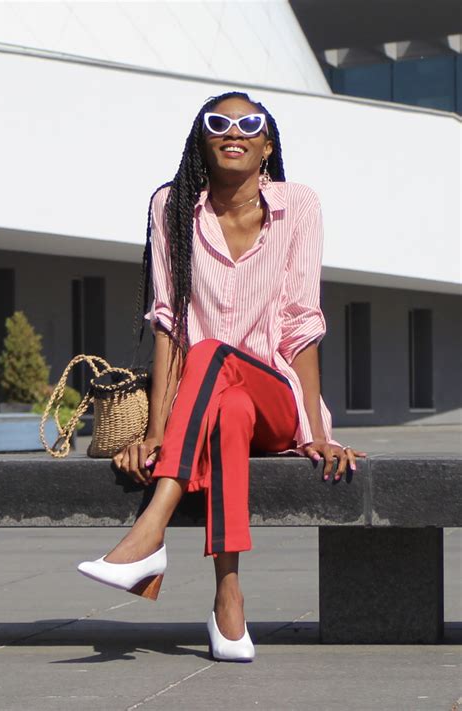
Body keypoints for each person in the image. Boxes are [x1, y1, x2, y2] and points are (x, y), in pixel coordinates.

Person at [78, 91, 366, 662]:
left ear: (266, 144)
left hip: (278, 402)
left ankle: (149, 532)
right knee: (224, 400)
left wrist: (317, 429)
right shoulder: (172, 207)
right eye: (219, 122)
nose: (233, 131)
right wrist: (157, 430)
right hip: (207, 409)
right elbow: (168, 327)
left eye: (249, 123)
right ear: (202, 142)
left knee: (213, 352)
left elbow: (302, 324)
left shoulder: (298, 206)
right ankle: (228, 600)